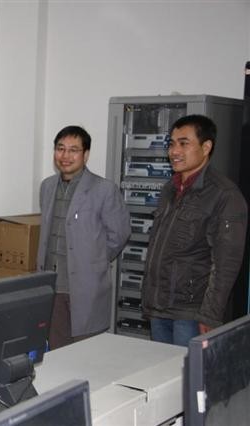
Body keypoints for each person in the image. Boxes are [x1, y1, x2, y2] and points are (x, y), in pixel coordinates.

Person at [142, 115, 248, 346]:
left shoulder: (224, 195)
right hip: (159, 309)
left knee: (189, 370)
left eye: (184, 143)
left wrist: (210, 314)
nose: (174, 151)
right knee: (161, 368)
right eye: (171, 144)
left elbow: (226, 264)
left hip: (191, 314)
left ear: (206, 147)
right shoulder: (170, 189)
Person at [37, 125, 130, 349]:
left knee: (87, 353)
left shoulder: (104, 189)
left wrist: (94, 260)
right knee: (58, 352)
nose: (65, 156)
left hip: (87, 287)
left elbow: (119, 234)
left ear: (86, 154)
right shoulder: (47, 186)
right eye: (60, 149)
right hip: (53, 286)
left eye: (73, 150)